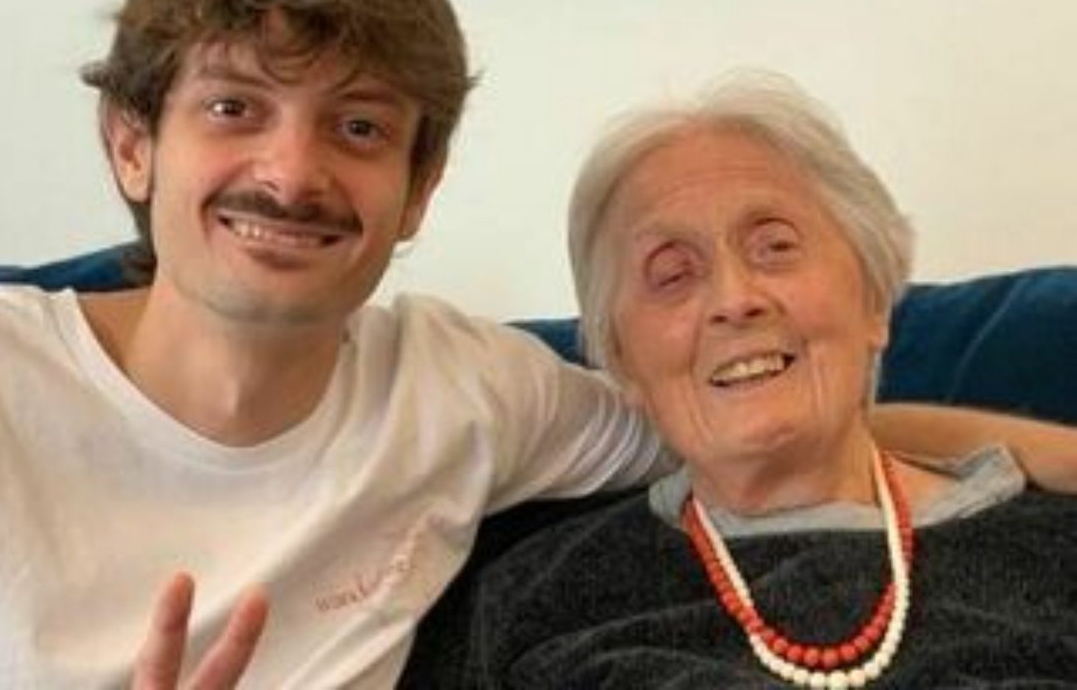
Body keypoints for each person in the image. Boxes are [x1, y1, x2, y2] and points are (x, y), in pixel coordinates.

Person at [0, 0, 1075, 686]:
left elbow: (759, 419)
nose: (290, 171)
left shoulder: (469, 393)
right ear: (132, 144)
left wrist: (1029, 462)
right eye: (235, 107)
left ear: (417, 192)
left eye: (357, 126)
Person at [403, 72, 1077, 687]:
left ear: (874, 298)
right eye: (672, 273)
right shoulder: (532, 596)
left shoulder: (1053, 545)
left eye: (775, 246)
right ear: (621, 361)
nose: (734, 298)